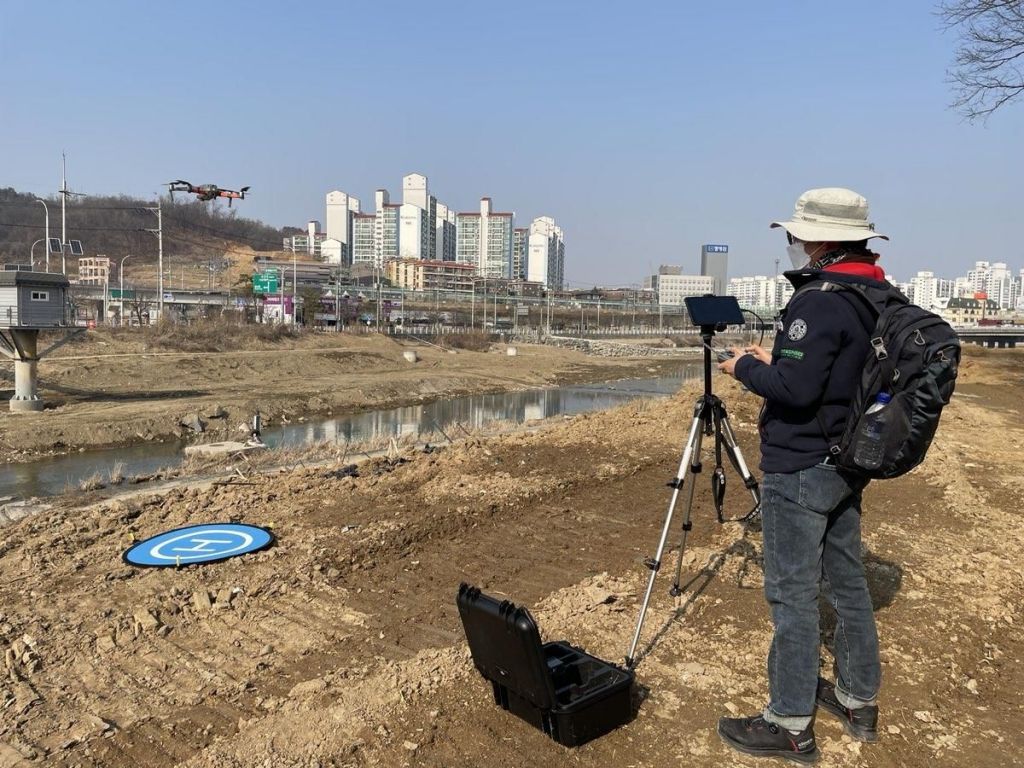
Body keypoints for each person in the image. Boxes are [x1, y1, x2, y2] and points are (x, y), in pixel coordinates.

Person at [716, 188, 888, 763]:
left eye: (796, 234)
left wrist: (743, 366)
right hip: (847, 460)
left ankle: (789, 723)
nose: (793, 243)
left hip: (801, 466)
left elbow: (793, 390)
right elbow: (833, 374)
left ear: (819, 240)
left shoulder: (819, 300)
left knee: (792, 597)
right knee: (848, 584)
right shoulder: (873, 293)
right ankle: (858, 701)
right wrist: (779, 360)